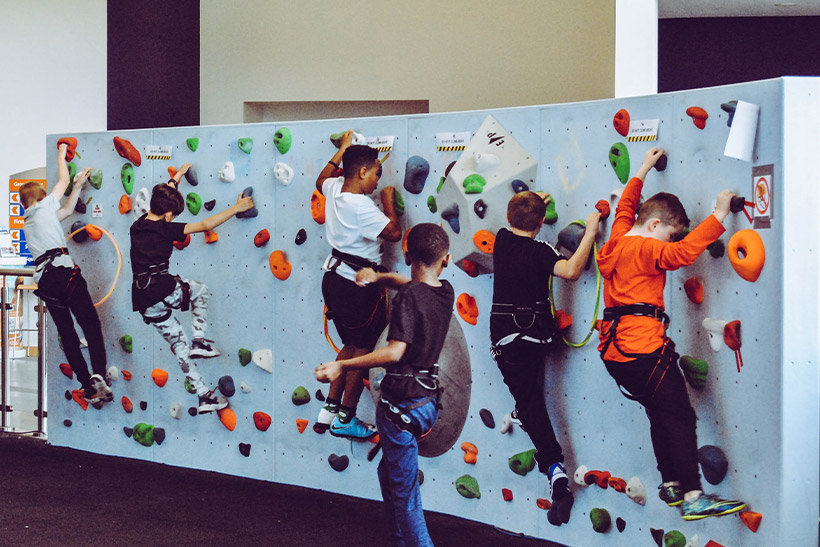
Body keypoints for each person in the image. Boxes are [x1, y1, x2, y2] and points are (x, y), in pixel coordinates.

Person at [596, 146, 746, 520]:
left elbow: (625, 209)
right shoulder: (648, 248)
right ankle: (695, 496)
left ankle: (670, 484)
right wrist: (719, 215)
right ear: (653, 227)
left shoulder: (616, 241)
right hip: (644, 350)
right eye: (669, 233)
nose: (669, 241)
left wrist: (643, 168)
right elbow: (682, 254)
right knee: (679, 417)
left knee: (658, 414)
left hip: (615, 354)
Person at [315, 223, 453, 547]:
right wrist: (379, 277)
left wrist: (342, 364)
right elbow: (411, 284)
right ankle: (400, 540)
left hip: (401, 406)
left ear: (406, 254)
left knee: (406, 494)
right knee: (388, 474)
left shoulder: (408, 300)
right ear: (446, 260)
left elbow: (394, 351)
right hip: (427, 404)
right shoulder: (444, 292)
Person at [490, 191, 599, 526]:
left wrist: (531, 203)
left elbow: (520, 219)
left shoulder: (501, 240)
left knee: (529, 399)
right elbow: (569, 270)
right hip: (538, 338)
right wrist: (592, 233)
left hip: (507, 339)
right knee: (530, 398)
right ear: (541, 223)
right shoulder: (541, 251)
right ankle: (539, 440)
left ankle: (555, 473)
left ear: (509, 219)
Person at [130, 164, 254, 413]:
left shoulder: (139, 224)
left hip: (143, 299)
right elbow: (206, 225)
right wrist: (237, 208)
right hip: (163, 288)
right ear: (168, 216)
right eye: (173, 215)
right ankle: (200, 340)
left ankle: (204, 395)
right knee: (200, 289)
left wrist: (175, 180)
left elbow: (162, 201)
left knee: (178, 344)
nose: (174, 218)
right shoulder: (166, 228)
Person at [313, 131, 401, 440]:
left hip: (334, 280)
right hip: (356, 286)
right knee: (363, 350)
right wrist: (389, 202)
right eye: (377, 173)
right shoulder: (360, 206)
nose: (378, 180)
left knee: (349, 346)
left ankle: (329, 409)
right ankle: (345, 418)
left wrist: (343, 150)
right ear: (362, 172)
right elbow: (393, 233)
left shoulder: (335, 187)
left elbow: (320, 178)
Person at [20, 143, 112, 407]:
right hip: (63, 272)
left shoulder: (32, 219)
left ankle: (88, 388)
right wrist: (62, 153)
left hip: (46, 282)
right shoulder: (45, 205)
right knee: (91, 325)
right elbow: (62, 181)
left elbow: (68, 211)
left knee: (68, 334)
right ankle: (99, 373)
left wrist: (80, 186)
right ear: (42, 196)